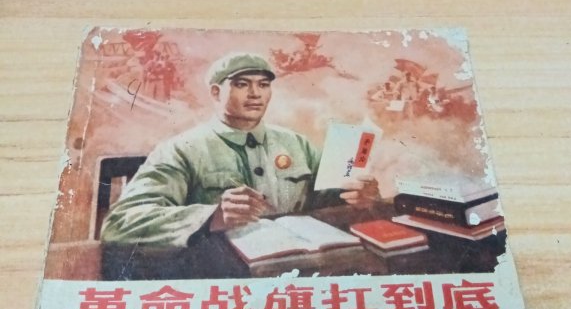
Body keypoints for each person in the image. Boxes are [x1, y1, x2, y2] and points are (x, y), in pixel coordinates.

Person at [101, 52, 380, 246]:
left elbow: (326, 202)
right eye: (241, 84)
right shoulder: (181, 150)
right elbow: (120, 223)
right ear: (215, 92)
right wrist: (212, 216)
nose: (255, 94)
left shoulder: (296, 143)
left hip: (292, 266)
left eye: (263, 85)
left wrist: (358, 196)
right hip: (221, 270)